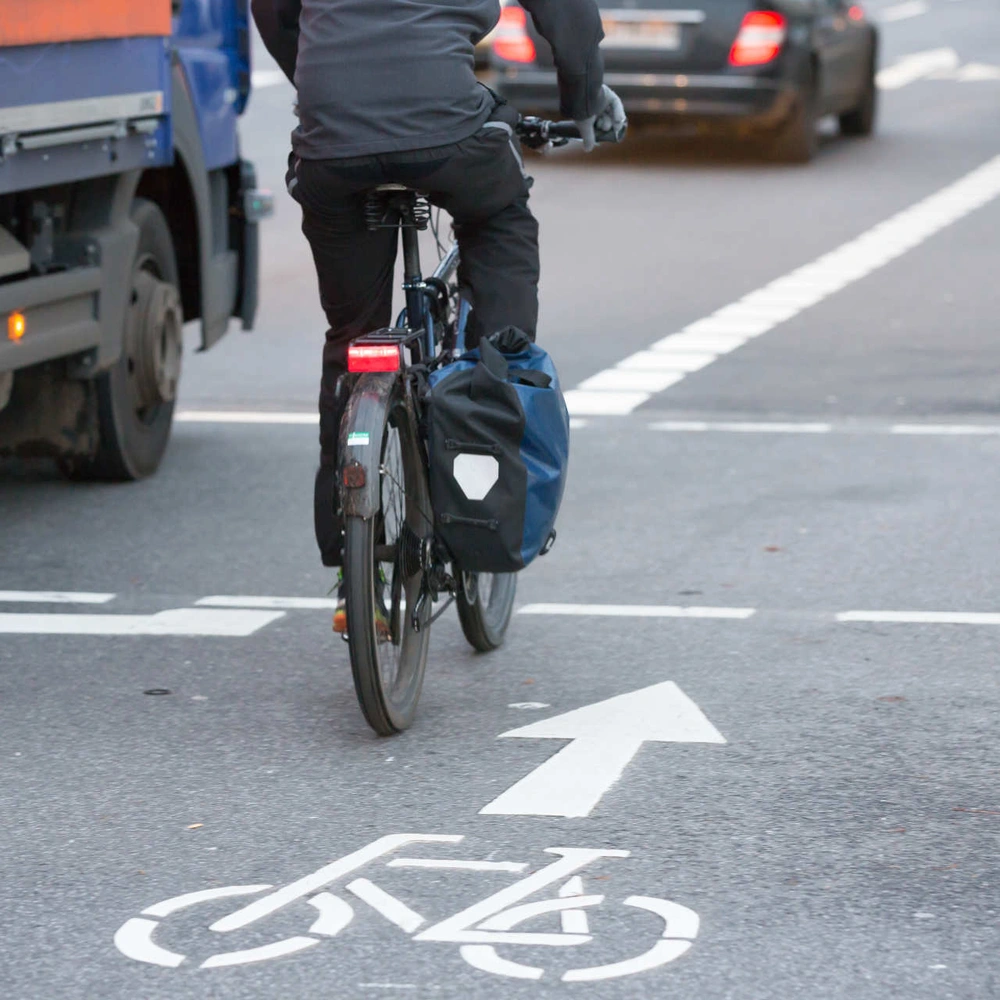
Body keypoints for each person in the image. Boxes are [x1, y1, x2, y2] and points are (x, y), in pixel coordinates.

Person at [252, 0, 625, 631]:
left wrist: (321, 82)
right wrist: (584, 99)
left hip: (331, 142)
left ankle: (354, 567)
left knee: (351, 341)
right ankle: (491, 379)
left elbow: (271, 10)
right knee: (501, 223)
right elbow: (567, 13)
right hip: (448, 130)